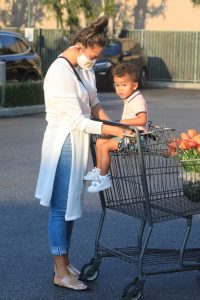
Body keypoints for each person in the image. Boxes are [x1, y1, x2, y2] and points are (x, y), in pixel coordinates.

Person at [35, 17, 132, 292]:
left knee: (71, 208)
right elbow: (77, 121)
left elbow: (95, 104)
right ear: (79, 46)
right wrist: (111, 128)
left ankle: (65, 262)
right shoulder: (59, 72)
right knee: (60, 208)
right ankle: (59, 270)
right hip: (64, 142)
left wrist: (117, 126)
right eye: (92, 55)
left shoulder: (83, 69)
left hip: (78, 143)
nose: (94, 61)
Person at [84, 63, 148, 193]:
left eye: (124, 85)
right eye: (117, 85)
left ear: (134, 85)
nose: (120, 89)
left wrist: (123, 121)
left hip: (136, 139)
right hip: (128, 136)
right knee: (100, 142)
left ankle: (104, 178)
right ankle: (98, 171)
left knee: (105, 146)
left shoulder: (137, 99)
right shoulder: (130, 98)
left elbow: (142, 119)